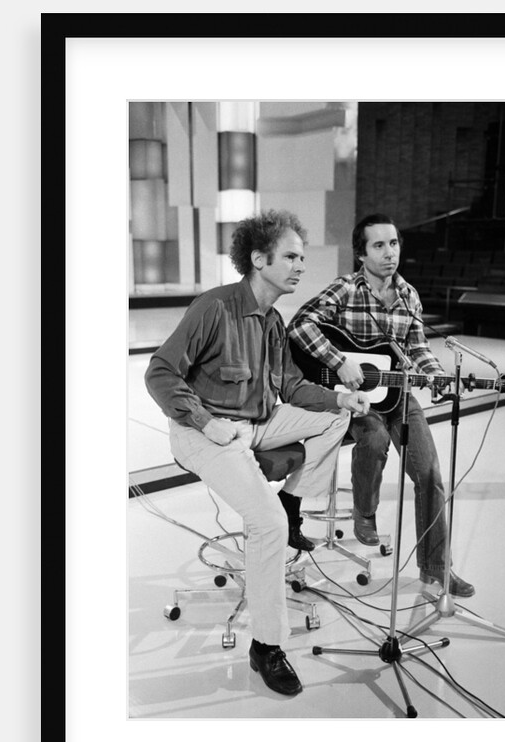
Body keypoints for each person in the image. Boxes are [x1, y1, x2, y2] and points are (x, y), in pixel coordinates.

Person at [144, 209, 370, 697]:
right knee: (264, 525)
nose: (299, 266)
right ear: (258, 258)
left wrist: (338, 398)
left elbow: (288, 385)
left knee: (337, 417)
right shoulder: (214, 308)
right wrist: (207, 422)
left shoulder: (273, 320)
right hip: (203, 430)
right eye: (290, 256)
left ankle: (292, 503)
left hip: (258, 421)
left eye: (301, 258)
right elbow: (159, 373)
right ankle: (267, 647)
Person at [287, 212, 475, 597]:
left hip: (398, 394)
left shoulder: (409, 295)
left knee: (430, 475)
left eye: (394, 244)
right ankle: (364, 512)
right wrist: (341, 362)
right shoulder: (345, 289)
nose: (390, 253)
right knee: (373, 441)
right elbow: (300, 325)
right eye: (379, 245)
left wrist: (436, 375)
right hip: (356, 400)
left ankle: (436, 568)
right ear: (361, 253)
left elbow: (418, 347)